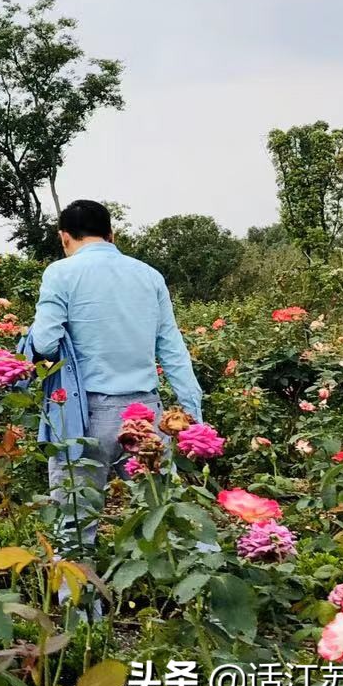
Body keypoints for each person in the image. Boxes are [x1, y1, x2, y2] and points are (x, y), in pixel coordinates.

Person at [27, 199, 204, 548]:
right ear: (111, 234)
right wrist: (192, 414)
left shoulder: (60, 274)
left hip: (84, 419)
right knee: (166, 519)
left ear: (64, 238)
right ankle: (191, 594)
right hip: (145, 417)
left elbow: (46, 343)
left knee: (75, 529)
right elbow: (172, 349)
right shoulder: (149, 276)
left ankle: (79, 604)